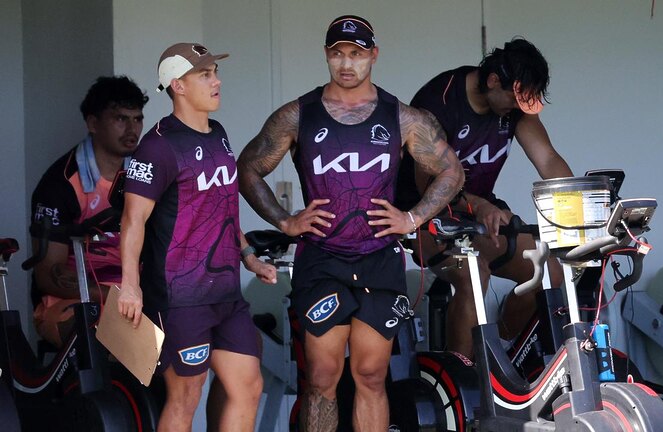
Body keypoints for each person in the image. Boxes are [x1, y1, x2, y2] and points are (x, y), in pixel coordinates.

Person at [237, 15, 464, 432]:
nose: (346, 63)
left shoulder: (402, 117)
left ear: (373, 55)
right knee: (322, 377)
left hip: (380, 260)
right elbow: (247, 168)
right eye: (338, 53)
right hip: (322, 260)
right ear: (326, 55)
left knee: (372, 375)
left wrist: (412, 217)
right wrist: (285, 221)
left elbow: (452, 172)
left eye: (357, 54)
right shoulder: (297, 115)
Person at [117, 43, 278, 432]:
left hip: (226, 292)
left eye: (215, 73)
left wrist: (248, 257)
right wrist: (130, 286)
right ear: (178, 85)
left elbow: (221, 209)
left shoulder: (218, 134)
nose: (216, 81)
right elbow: (132, 221)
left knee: (249, 386)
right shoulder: (157, 146)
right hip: (180, 297)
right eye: (204, 75)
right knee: (186, 395)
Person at [395, 38, 573, 358]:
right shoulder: (439, 102)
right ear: (493, 81)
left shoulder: (511, 105)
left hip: (480, 214)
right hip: (425, 216)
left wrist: (582, 206)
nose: (517, 109)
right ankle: (465, 383)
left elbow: (548, 160)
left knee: (549, 271)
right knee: (473, 274)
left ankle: (495, 357)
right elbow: (427, 184)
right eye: (513, 99)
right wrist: (478, 205)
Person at [29, 75, 148, 348]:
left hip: (136, 295)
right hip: (72, 301)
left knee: (182, 343)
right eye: (120, 118)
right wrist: (114, 295)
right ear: (93, 123)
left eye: (137, 118)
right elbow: (48, 276)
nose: (132, 129)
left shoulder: (146, 172)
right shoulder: (59, 184)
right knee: (107, 346)